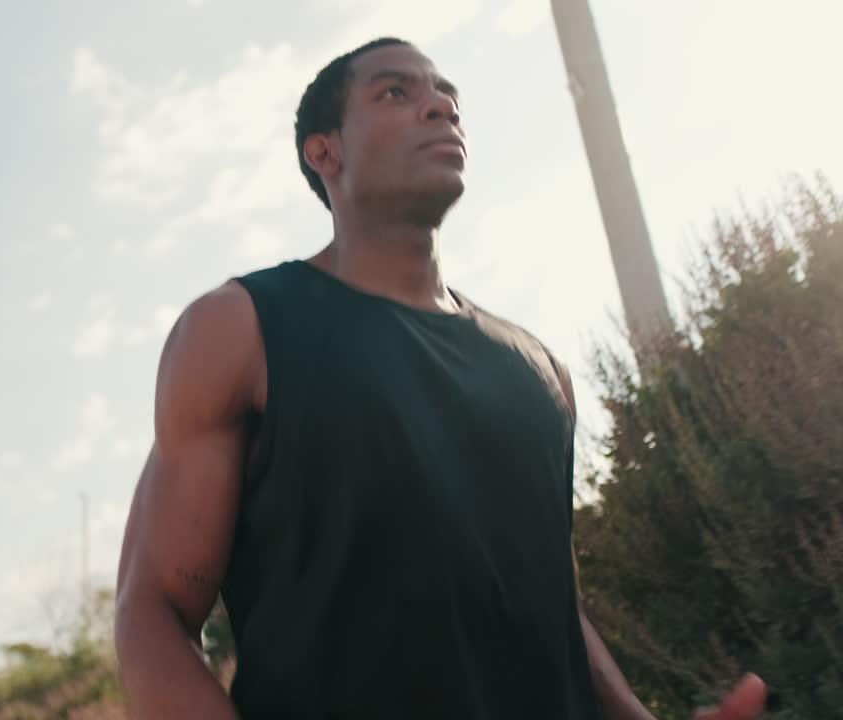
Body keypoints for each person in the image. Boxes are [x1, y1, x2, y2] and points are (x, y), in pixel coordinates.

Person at [113, 37, 767, 719]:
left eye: (447, 96)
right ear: (324, 150)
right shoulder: (240, 330)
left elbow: (554, 610)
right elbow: (152, 612)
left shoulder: (542, 370)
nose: (441, 108)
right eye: (397, 92)